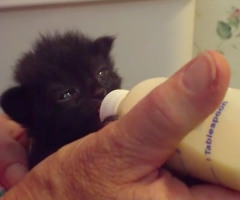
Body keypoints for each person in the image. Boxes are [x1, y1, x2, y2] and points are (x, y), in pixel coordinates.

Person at [1, 51, 240, 200]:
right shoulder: (43, 163)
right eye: (66, 94)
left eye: (102, 74)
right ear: (27, 112)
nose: (97, 89)